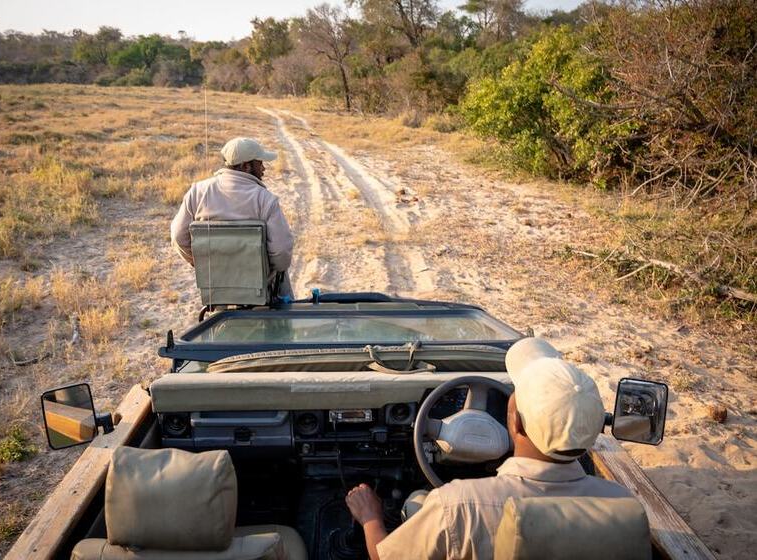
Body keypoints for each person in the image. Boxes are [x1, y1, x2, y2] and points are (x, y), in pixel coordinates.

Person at [345, 338, 633, 560]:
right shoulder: (620, 503)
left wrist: (370, 517)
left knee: (417, 501)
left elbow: (383, 556)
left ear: (515, 424)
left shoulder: (456, 506)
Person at [170, 137, 294, 297]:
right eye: (260, 163)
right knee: (282, 275)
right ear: (246, 166)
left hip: (216, 285)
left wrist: (201, 263)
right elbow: (282, 253)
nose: (263, 168)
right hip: (259, 289)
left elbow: (178, 237)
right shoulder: (265, 199)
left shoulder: (197, 192)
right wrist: (264, 269)